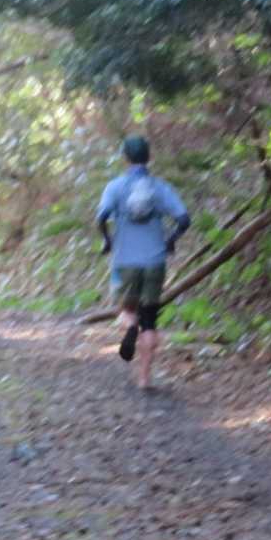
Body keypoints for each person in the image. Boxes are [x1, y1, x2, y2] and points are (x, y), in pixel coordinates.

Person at [96, 135, 190, 390]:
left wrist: (107, 240)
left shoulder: (115, 187)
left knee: (126, 311)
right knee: (150, 320)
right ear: (149, 157)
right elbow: (184, 219)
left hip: (125, 261)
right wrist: (170, 241)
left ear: (125, 158)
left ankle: (130, 326)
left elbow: (101, 217)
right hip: (155, 261)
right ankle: (144, 378)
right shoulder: (159, 188)